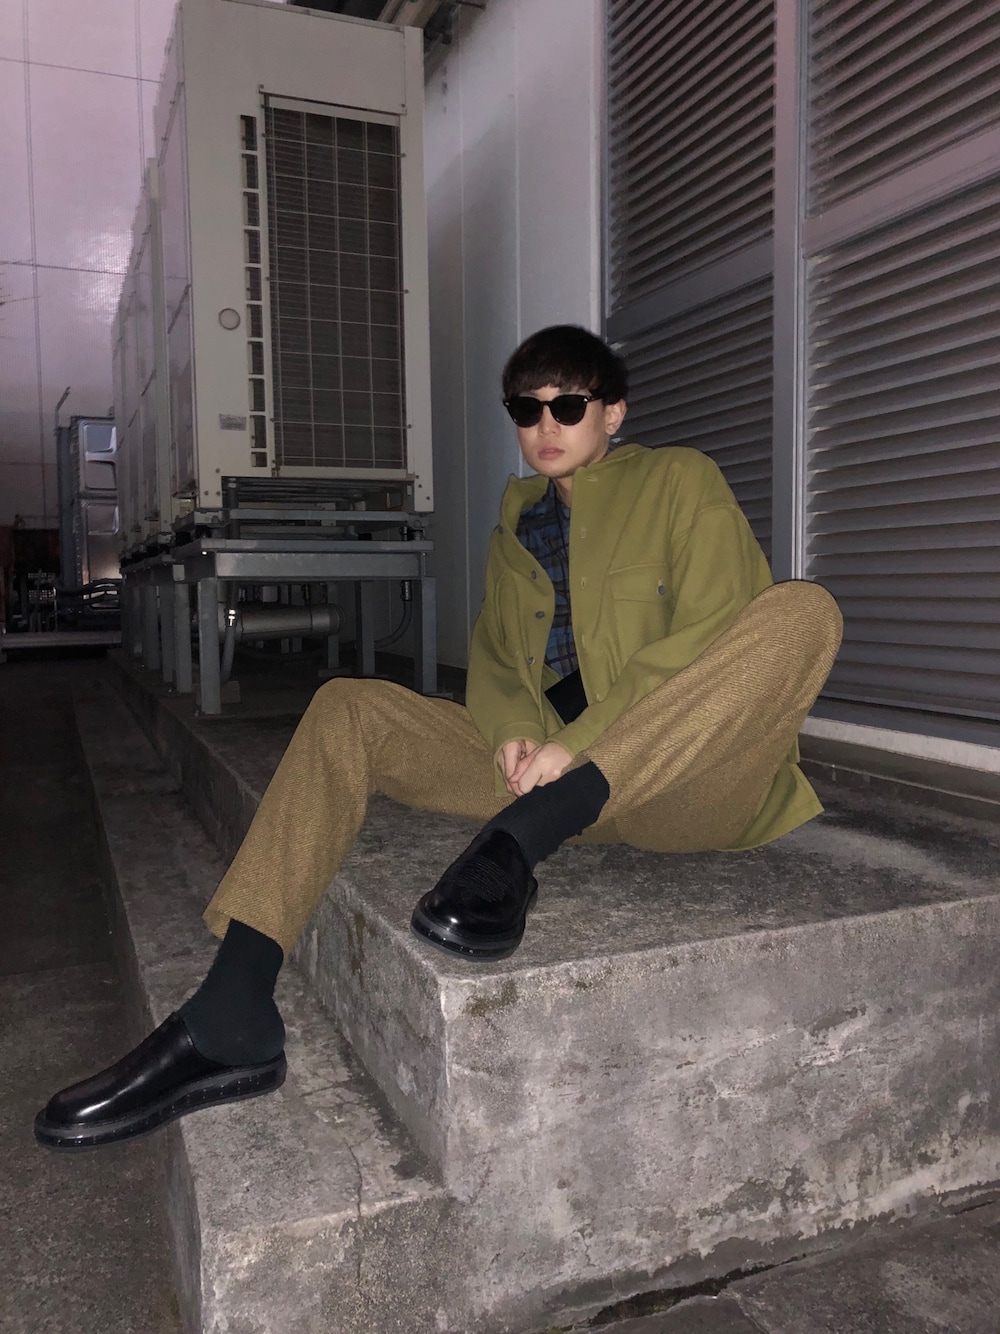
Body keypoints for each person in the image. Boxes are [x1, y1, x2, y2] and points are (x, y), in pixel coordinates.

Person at [35, 325, 842, 1151]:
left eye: (569, 406)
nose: (546, 426)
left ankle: (516, 843)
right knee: (350, 707)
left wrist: (585, 743)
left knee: (801, 612)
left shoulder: (679, 482)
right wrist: (516, 733)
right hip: (553, 778)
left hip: (685, 786)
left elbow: (713, 629)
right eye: (526, 409)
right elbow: (495, 659)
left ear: (614, 414)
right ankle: (230, 1013)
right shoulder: (519, 525)